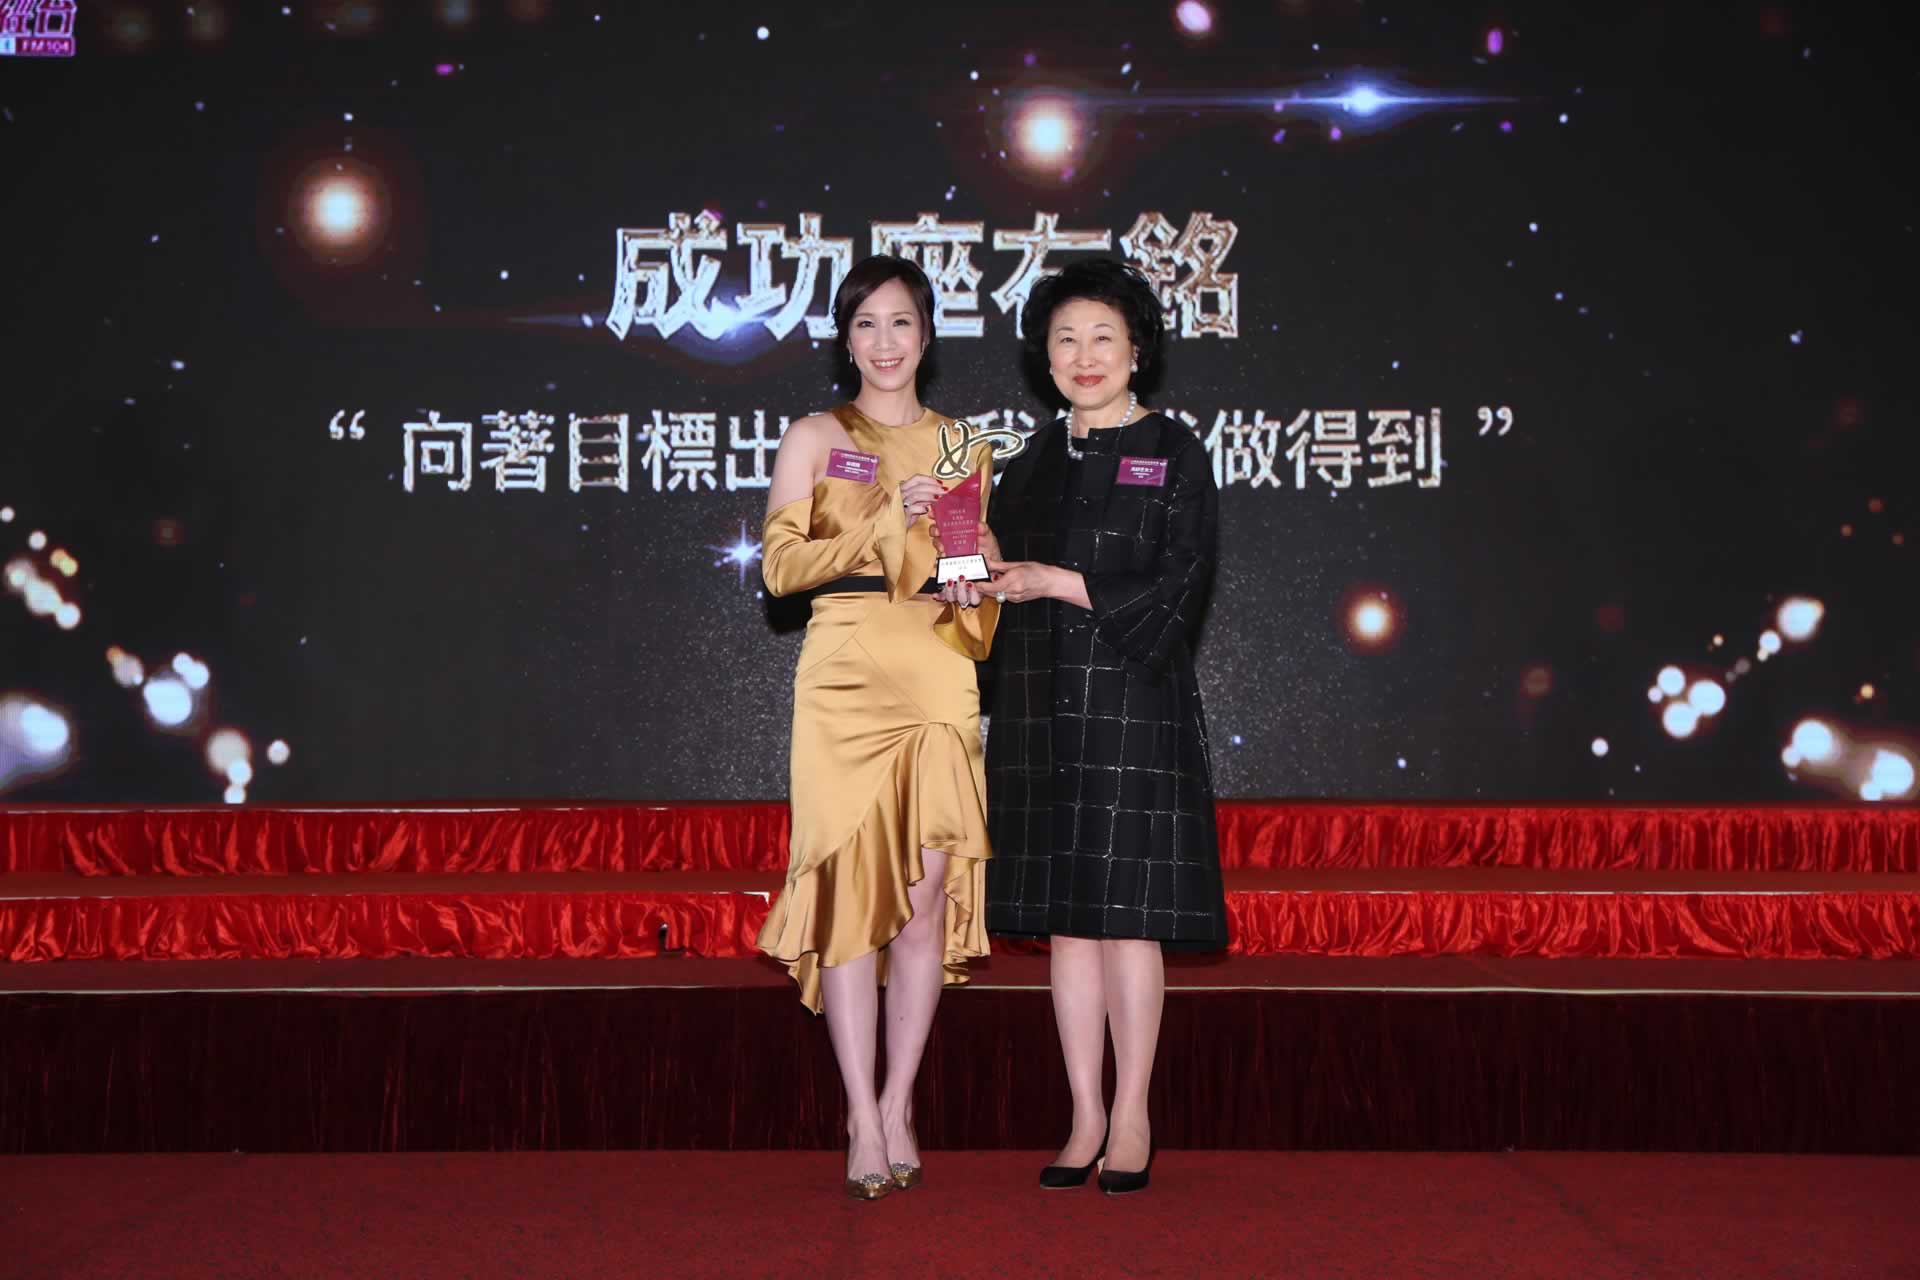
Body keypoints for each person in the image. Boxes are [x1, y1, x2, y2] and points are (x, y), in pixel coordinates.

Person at [942, 257, 1228, 1196]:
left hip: (1132, 706)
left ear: (1137, 348)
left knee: (1127, 922)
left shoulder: (1172, 450)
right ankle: (1084, 1116)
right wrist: (968, 554)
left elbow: (1180, 586)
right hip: (1040, 709)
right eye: (1065, 339)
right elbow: (998, 585)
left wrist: (1057, 582)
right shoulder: (1025, 463)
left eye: (1103, 336)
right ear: (1045, 357)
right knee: (1068, 927)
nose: (1084, 354)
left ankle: (1134, 1113)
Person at [756, 254, 999, 1200]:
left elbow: (972, 584)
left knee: (924, 899)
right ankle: (859, 1112)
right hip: (844, 672)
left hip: (935, 667)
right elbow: (781, 569)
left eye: (901, 322)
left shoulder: (962, 445)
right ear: (846, 339)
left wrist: (980, 567)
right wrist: (884, 523)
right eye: (867, 324)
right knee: (853, 896)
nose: (885, 341)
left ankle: (900, 1102)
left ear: (927, 336)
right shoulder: (815, 436)